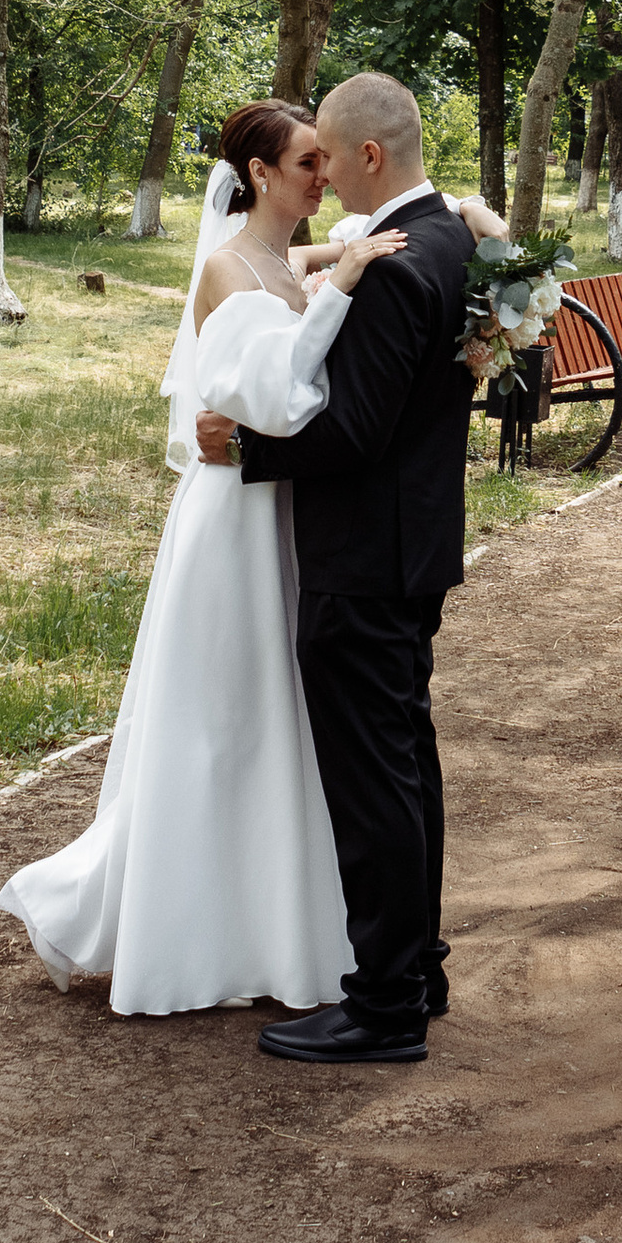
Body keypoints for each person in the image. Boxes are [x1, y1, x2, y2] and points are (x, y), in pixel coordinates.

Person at [0, 103, 410, 1015]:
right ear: (259, 174)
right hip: (234, 517)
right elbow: (277, 396)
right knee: (219, 719)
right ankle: (185, 932)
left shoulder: (280, 256)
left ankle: (275, 926)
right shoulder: (228, 266)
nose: (324, 176)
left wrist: (457, 221)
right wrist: (340, 278)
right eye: (307, 162)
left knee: (279, 721)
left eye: (329, 161)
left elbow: (342, 240)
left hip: (285, 512)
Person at [203, 71, 479, 1070]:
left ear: (369, 156)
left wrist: (243, 450)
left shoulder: (398, 264)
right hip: (414, 549)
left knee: (373, 791)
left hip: (360, 561)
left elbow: (352, 431)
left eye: (328, 150)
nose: (321, 170)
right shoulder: (453, 239)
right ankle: (419, 971)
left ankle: (384, 1007)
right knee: (406, 768)